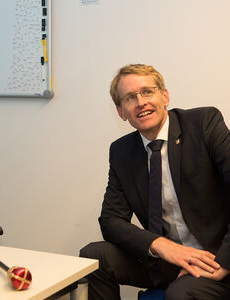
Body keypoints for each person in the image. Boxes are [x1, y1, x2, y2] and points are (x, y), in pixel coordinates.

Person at [80, 64, 230, 299]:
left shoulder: (204, 124)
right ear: (121, 111)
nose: (140, 103)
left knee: (179, 294)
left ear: (165, 96)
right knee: (94, 256)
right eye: (130, 98)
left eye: (147, 92)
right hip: (166, 259)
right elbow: (110, 220)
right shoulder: (122, 152)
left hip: (215, 258)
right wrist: (161, 245)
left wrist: (224, 263)